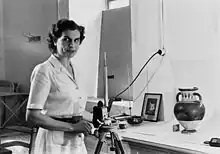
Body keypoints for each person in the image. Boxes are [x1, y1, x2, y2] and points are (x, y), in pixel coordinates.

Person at [26, 19, 93, 154]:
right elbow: (33, 116)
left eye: (76, 40)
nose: (72, 45)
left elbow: (74, 109)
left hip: (76, 140)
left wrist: (98, 120)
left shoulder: (76, 71)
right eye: (66, 40)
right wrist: (73, 127)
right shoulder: (44, 70)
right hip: (53, 142)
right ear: (55, 41)